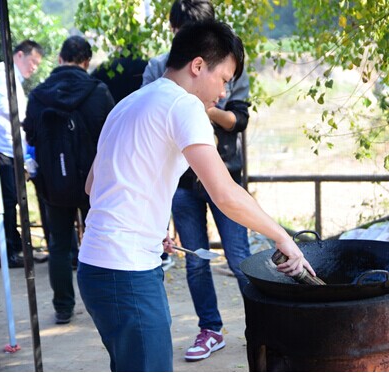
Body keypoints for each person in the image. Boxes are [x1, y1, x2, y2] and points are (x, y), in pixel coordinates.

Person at [77, 21, 315, 372]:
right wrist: (283, 236)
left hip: (97, 267)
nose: (223, 93)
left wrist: (147, 228)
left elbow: (93, 185)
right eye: (223, 79)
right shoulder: (183, 106)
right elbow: (225, 193)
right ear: (198, 65)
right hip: (126, 272)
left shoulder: (128, 104)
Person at [142, 0, 252, 361]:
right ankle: (210, 329)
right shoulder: (159, 67)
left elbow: (239, 119)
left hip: (223, 172)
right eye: (177, 32)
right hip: (183, 183)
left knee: (240, 258)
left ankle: (262, 323)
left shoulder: (225, 63)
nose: (223, 87)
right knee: (195, 259)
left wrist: (205, 107)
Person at [23, 36, 115, 324]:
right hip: (94, 183)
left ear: (61, 59)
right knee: (100, 240)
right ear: (86, 62)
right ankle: (105, 302)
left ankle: (63, 306)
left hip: (54, 184)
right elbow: (111, 136)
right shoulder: (98, 91)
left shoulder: (38, 94)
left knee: (59, 244)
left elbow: (31, 137)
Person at [0, 40, 43, 268]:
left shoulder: (12, 78)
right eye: (32, 61)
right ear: (19, 55)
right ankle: (7, 252)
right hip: (1, 148)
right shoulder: (2, 75)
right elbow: (7, 114)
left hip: (11, 148)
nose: (34, 68)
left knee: (13, 200)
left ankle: (14, 246)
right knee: (7, 201)